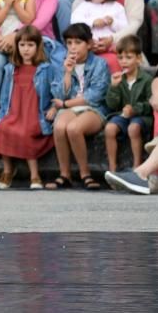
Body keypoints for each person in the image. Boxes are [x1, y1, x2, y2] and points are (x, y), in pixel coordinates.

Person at [44, 22, 109, 190]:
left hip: (93, 109)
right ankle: (64, 174)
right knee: (59, 127)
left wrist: (65, 103)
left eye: (78, 42)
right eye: (69, 43)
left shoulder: (100, 64)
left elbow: (95, 96)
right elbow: (58, 94)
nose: (73, 47)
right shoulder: (63, 64)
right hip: (70, 107)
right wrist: (67, 72)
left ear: (89, 44)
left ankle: (85, 173)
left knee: (74, 128)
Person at [0, 25, 53, 190]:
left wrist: (53, 108)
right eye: (22, 45)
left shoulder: (45, 69)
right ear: (17, 47)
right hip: (15, 112)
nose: (26, 49)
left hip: (34, 113)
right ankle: (8, 169)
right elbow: (5, 98)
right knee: (3, 128)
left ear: (38, 47)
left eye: (30, 45)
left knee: (27, 131)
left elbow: (54, 91)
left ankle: (34, 174)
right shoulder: (11, 69)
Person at [103, 36, 151, 173]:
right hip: (122, 116)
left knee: (133, 128)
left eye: (128, 57)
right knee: (110, 128)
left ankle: (137, 166)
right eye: (120, 57)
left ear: (138, 59)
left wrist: (135, 110)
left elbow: (150, 104)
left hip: (141, 117)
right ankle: (112, 168)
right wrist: (113, 87)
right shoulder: (118, 79)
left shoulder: (146, 79)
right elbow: (112, 105)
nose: (123, 62)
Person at [70, 0, 127, 73]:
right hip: (87, 51)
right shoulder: (84, 6)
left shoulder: (117, 7)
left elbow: (125, 28)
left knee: (113, 62)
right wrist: (92, 22)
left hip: (110, 49)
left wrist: (113, 22)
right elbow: (74, 21)